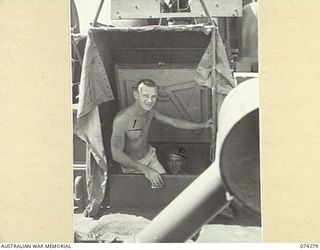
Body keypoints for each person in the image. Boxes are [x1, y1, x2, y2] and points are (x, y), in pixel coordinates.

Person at [111, 79, 212, 188]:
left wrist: (202, 125)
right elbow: (116, 154)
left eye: (153, 96)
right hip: (132, 166)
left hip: (151, 158)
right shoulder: (122, 119)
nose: (150, 100)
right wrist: (146, 170)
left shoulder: (150, 112)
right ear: (136, 95)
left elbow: (174, 122)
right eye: (145, 95)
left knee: (166, 188)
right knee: (144, 198)